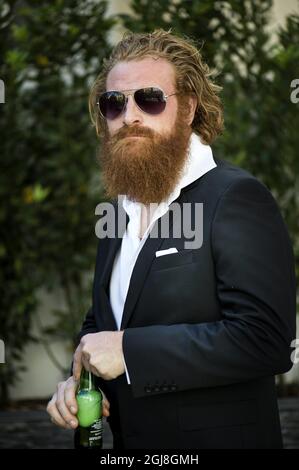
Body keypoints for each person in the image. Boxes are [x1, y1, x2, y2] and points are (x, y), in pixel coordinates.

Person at [47, 29, 297, 449]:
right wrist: (79, 378)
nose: (129, 117)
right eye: (114, 103)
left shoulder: (234, 197)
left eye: (150, 99)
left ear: (188, 108)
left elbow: (267, 340)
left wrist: (130, 353)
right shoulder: (118, 209)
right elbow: (106, 322)